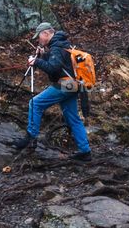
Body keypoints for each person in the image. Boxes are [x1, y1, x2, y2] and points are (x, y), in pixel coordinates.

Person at [11, 22, 92, 161]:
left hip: (65, 85)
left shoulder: (56, 46)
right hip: (74, 85)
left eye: (39, 37)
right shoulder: (62, 44)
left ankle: (30, 138)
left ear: (46, 33)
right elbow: (60, 65)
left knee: (35, 103)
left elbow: (53, 68)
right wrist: (44, 55)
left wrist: (36, 62)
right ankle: (85, 151)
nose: (38, 40)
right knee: (73, 117)